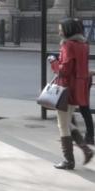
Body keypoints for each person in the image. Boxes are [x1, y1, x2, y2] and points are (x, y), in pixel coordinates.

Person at [48, 18, 94, 170]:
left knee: (62, 124)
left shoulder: (68, 45)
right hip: (78, 89)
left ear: (67, 30)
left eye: (61, 29)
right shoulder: (84, 45)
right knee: (67, 121)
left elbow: (64, 70)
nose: (59, 31)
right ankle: (85, 149)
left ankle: (69, 161)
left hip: (66, 89)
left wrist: (53, 61)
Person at [73, 18, 94, 145]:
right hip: (85, 77)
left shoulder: (70, 43)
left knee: (67, 108)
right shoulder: (84, 42)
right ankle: (89, 135)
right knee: (84, 108)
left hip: (76, 79)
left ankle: (73, 135)